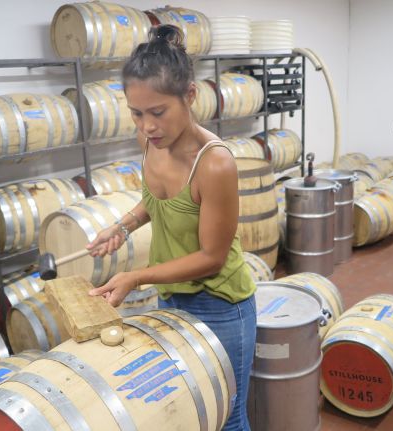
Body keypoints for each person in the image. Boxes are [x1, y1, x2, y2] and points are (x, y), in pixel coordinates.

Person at [85, 24, 257, 431]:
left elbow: (212, 258)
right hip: (172, 299)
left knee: (227, 418)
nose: (147, 126)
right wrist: (121, 227)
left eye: (158, 112)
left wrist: (137, 276)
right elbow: (157, 200)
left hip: (220, 306)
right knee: (191, 411)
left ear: (190, 96)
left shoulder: (215, 163)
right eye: (137, 113)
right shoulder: (151, 142)